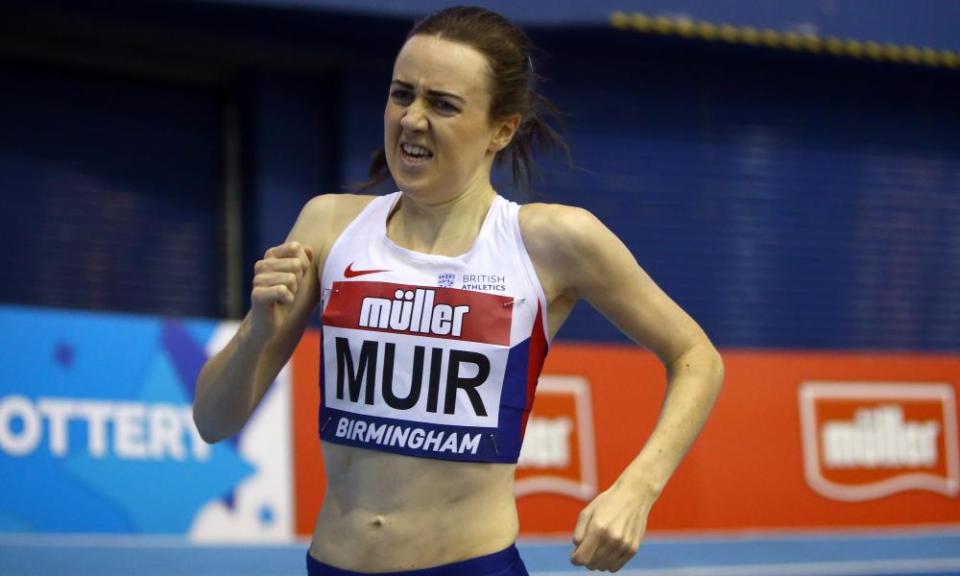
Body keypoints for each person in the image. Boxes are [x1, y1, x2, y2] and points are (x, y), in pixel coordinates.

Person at [193, 6, 723, 575]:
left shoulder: (551, 240)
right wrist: (256, 336)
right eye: (401, 94)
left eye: (442, 104)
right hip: (332, 564)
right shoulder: (327, 226)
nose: (412, 120)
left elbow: (696, 357)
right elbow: (212, 421)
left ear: (502, 128)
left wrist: (637, 489)